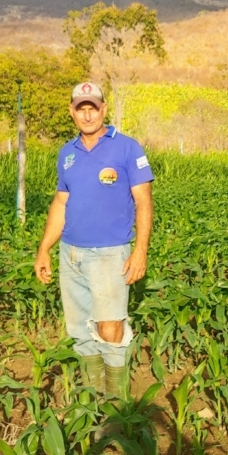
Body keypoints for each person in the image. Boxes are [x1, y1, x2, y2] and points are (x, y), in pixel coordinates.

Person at [34, 82, 154, 399]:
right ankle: (93, 399)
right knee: (79, 332)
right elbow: (61, 202)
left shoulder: (128, 148)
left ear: (103, 109)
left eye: (93, 108)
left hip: (110, 254)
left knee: (110, 329)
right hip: (70, 253)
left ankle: (115, 407)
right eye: (80, 108)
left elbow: (144, 201)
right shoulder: (67, 153)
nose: (87, 115)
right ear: (72, 112)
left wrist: (140, 251)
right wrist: (44, 249)